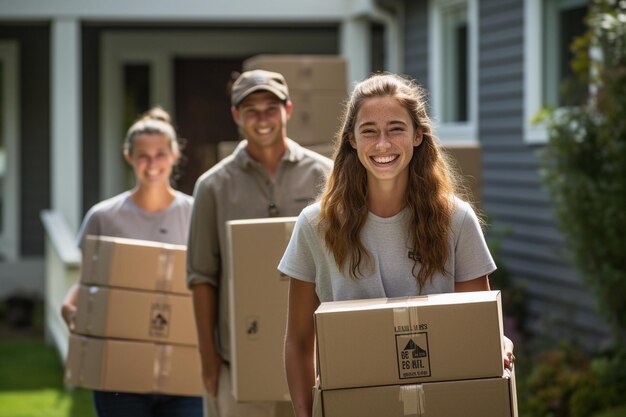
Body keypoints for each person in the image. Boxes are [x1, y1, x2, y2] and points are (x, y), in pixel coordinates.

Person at [278, 73, 515, 417]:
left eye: (396, 128)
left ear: (418, 136)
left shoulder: (456, 220)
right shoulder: (316, 226)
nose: (383, 144)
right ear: (352, 141)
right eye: (369, 131)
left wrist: (499, 343)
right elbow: (299, 342)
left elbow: (477, 328)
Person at [186, 69, 332, 417]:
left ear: (289, 110)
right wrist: (208, 356)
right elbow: (201, 276)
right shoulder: (213, 187)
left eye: (271, 107)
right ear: (236, 115)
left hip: (315, 360)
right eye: (251, 109)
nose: (262, 118)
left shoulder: (326, 177)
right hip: (238, 363)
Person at [60, 107, 202, 417]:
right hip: (119, 376)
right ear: (129, 157)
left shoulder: (194, 214)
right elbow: (89, 283)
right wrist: (69, 308)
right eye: (143, 156)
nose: (152, 164)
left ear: (175, 155)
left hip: (183, 375)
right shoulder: (103, 217)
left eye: (160, 154)